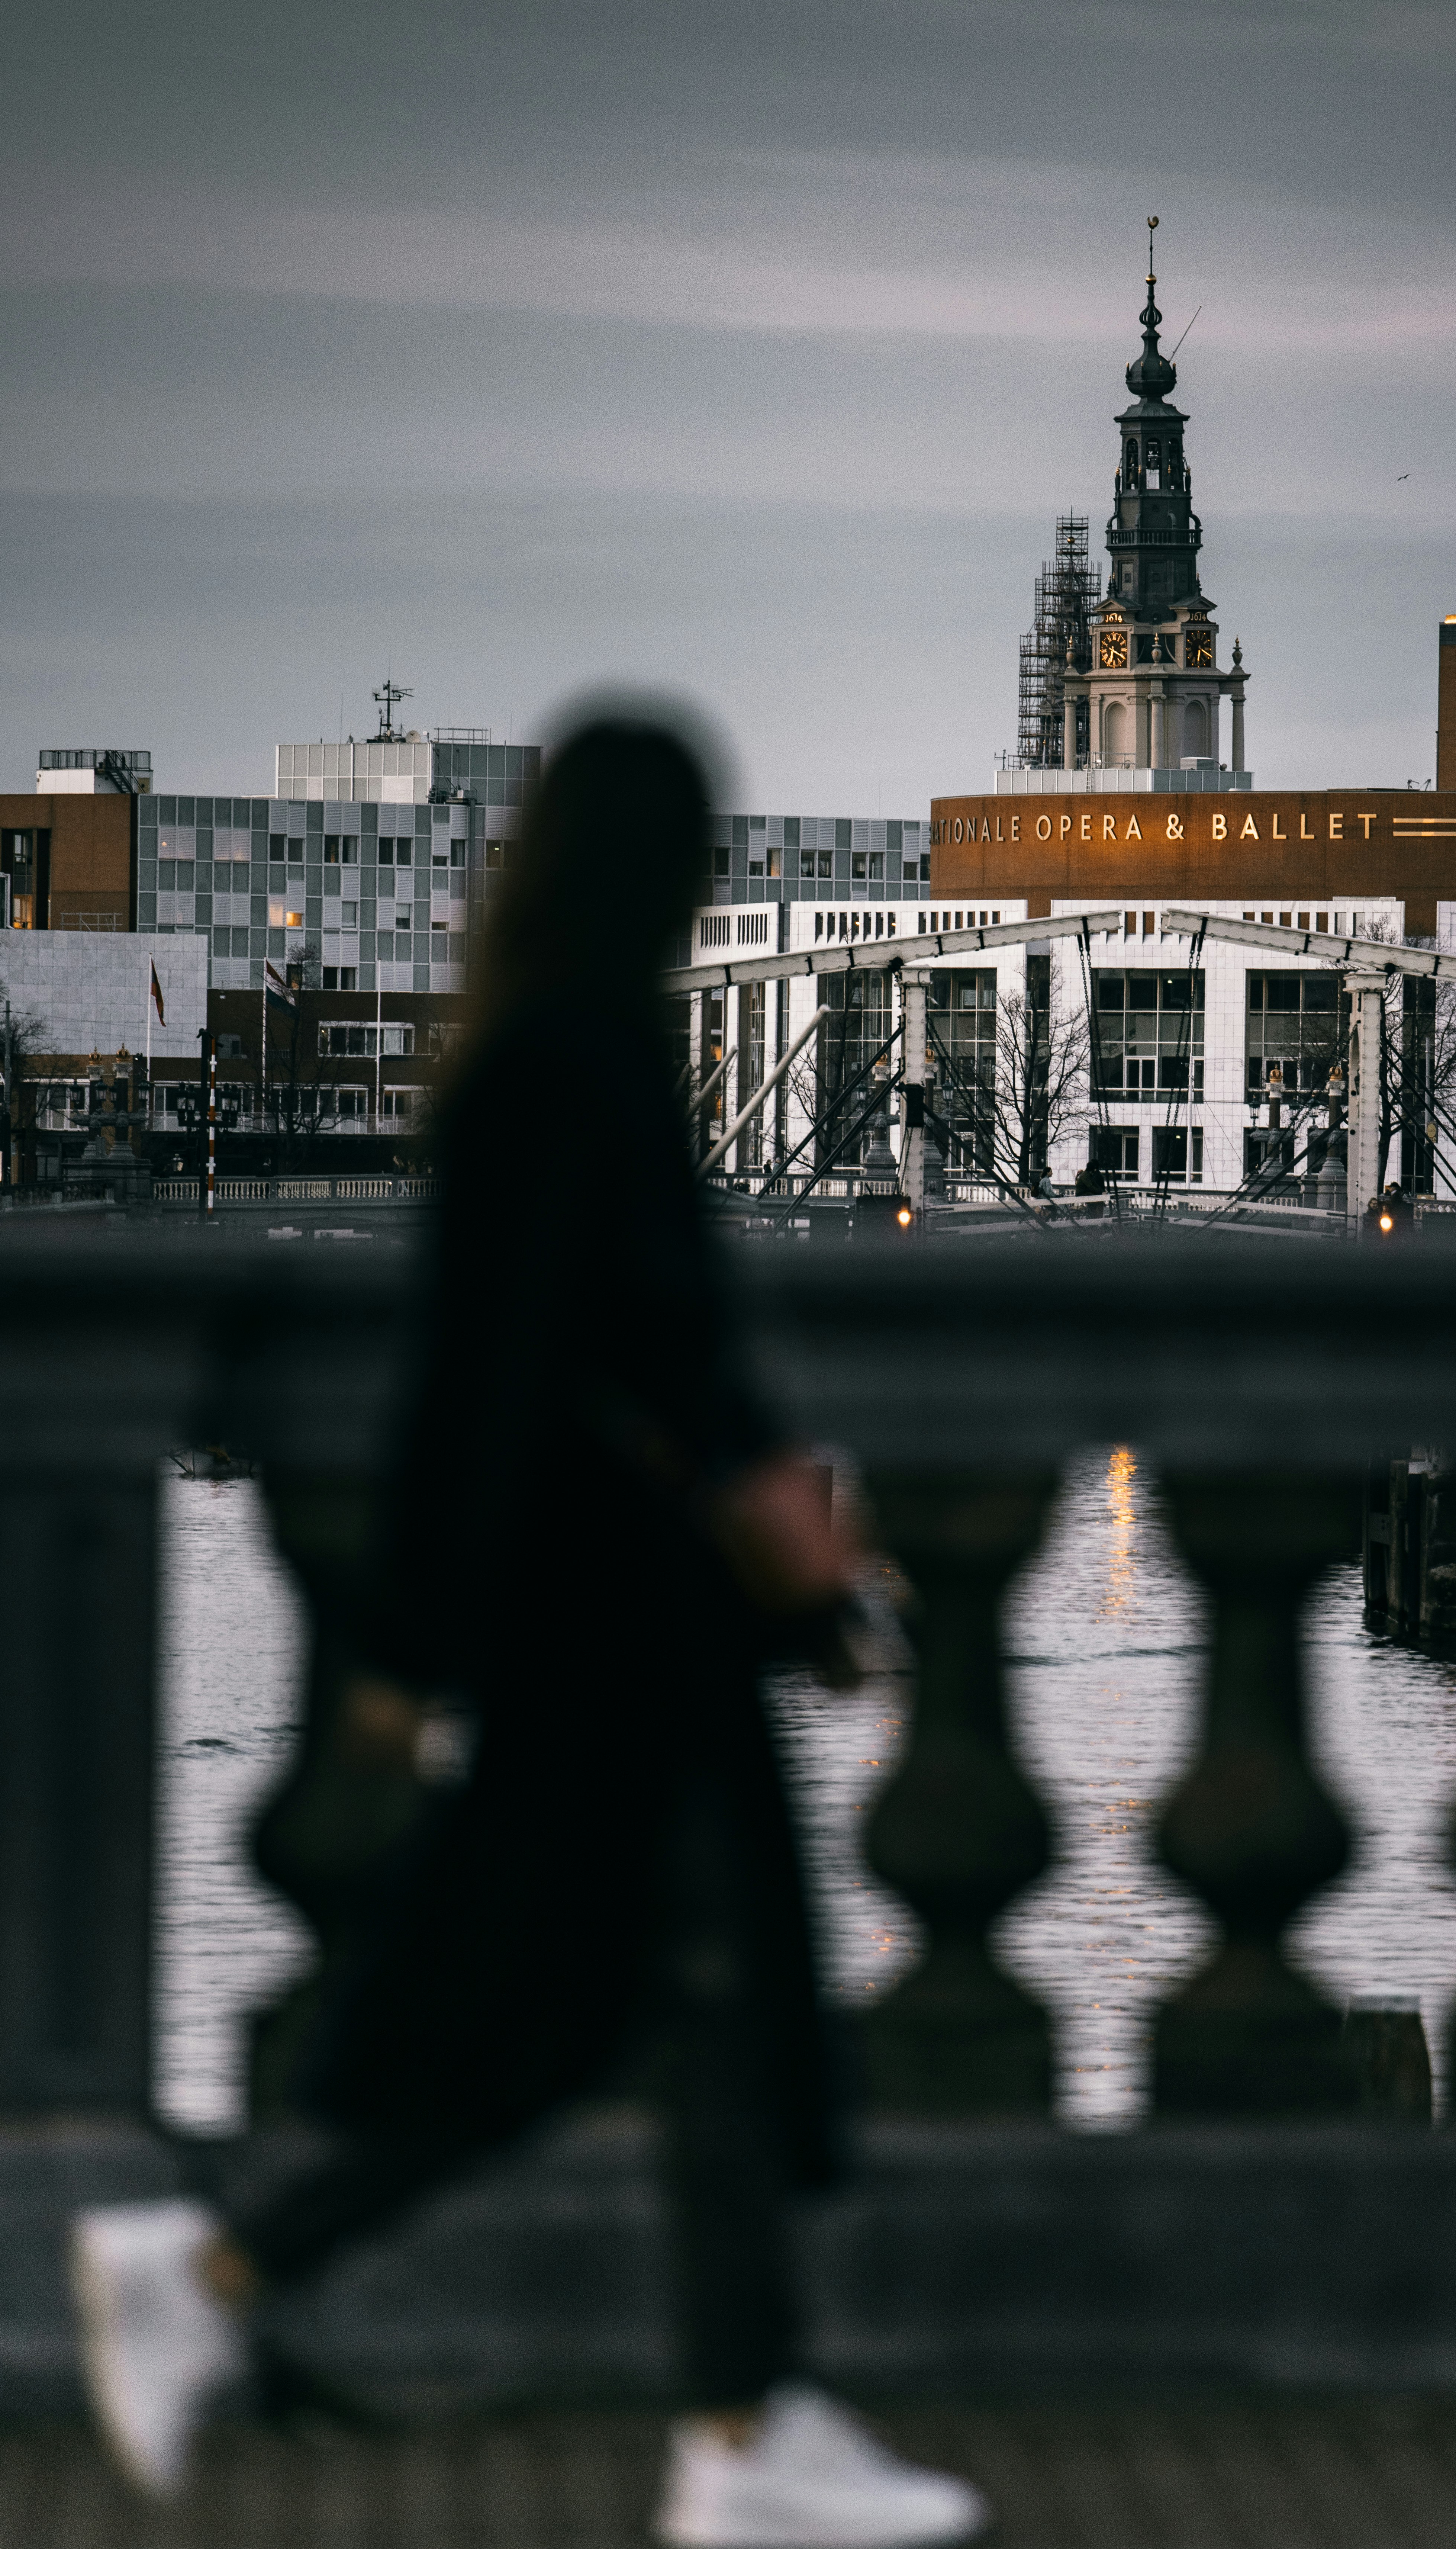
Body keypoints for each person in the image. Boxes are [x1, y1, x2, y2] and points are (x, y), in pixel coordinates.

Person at [70, 715, 986, 2549]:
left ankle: (260, 2283)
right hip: (611, 1648)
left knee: (591, 2020)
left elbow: (530, 1377)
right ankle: (730, 2433)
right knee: (666, 2007)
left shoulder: (542, 1064)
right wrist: (413, 1653)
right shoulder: (579, 1077)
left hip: (608, 1635)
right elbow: (498, 1385)